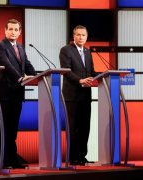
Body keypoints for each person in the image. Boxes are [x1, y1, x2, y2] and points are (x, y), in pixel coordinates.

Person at [0, 19, 36, 169]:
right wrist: (20, 78)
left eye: (16, 29)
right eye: (10, 29)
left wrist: (37, 76)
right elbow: (6, 65)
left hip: (17, 94)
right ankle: (1, 161)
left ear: (20, 32)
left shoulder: (21, 47)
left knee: (12, 130)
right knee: (2, 129)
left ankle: (12, 159)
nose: (13, 32)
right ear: (5, 30)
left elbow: (27, 65)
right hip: (4, 93)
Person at [59, 25, 97, 166]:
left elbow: (91, 72)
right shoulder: (66, 50)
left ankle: (82, 156)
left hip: (86, 95)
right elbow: (66, 70)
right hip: (72, 96)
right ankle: (73, 156)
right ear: (73, 36)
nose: (81, 37)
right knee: (73, 128)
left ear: (86, 37)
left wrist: (101, 76)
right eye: (78, 35)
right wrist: (80, 80)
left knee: (84, 127)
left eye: (83, 35)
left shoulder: (87, 52)